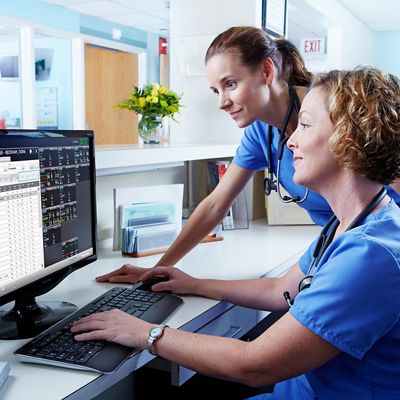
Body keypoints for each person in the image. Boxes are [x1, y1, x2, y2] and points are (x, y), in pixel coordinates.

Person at [72, 67, 400, 399]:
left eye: (305, 124)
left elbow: (256, 365)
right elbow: (279, 290)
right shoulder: (349, 222)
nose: (291, 141)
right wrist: (192, 283)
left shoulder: (370, 255)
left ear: (349, 138)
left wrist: (146, 333)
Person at [96, 26, 400, 285]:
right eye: (216, 90)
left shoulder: (331, 109)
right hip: (337, 248)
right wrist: (159, 268)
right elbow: (216, 203)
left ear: (266, 71)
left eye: (230, 84)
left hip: (378, 252)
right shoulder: (260, 133)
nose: (222, 102)